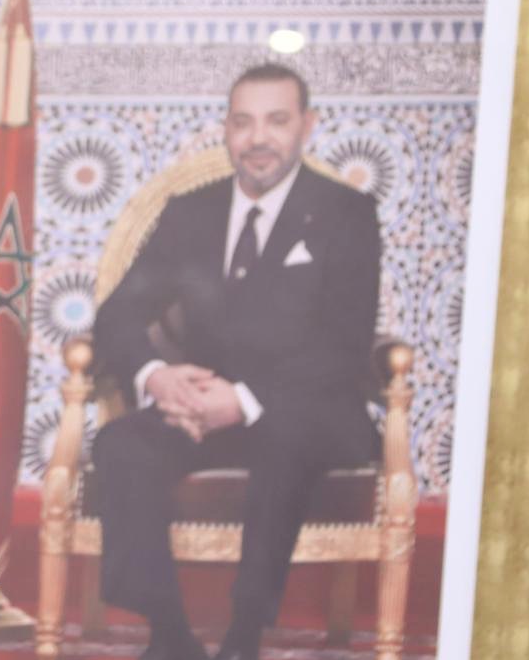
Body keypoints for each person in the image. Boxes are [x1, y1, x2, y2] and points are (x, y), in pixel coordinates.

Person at [89, 63, 382, 660]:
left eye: (276, 120)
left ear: (307, 125)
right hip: (203, 408)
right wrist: (157, 377)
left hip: (307, 411)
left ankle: (245, 634)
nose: (258, 138)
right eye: (243, 122)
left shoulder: (346, 212)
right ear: (226, 129)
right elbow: (116, 316)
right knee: (121, 444)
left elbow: (345, 344)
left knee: (284, 439)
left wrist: (244, 401)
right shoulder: (189, 212)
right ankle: (170, 634)